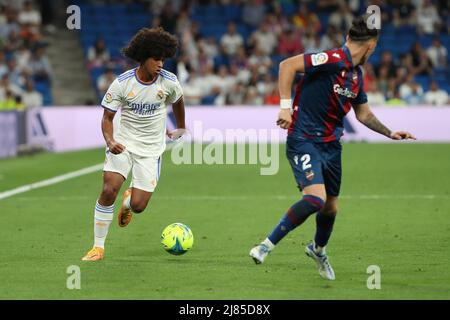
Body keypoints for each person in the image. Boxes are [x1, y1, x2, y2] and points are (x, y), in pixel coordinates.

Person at [249, 16, 416, 280]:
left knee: (331, 208)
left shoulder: (356, 76)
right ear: (371, 46)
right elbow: (287, 65)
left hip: (331, 146)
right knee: (316, 199)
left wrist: (389, 132)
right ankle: (265, 246)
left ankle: (318, 250)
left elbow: (363, 114)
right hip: (303, 139)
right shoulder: (332, 59)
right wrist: (284, 105)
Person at [82, 27, 186, 261]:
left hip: (151, 150)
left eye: (163, 59)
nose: (160, 64)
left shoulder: (169, 82)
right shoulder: (122, 84)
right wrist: (110, 141)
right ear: (143, 57)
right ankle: (98, 247)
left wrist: (181, 125)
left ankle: (129, 201)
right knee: (109, 189)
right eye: (156, 59)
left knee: (139, 206)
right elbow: (107, 117)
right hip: (124, 144)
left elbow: (178, 101)